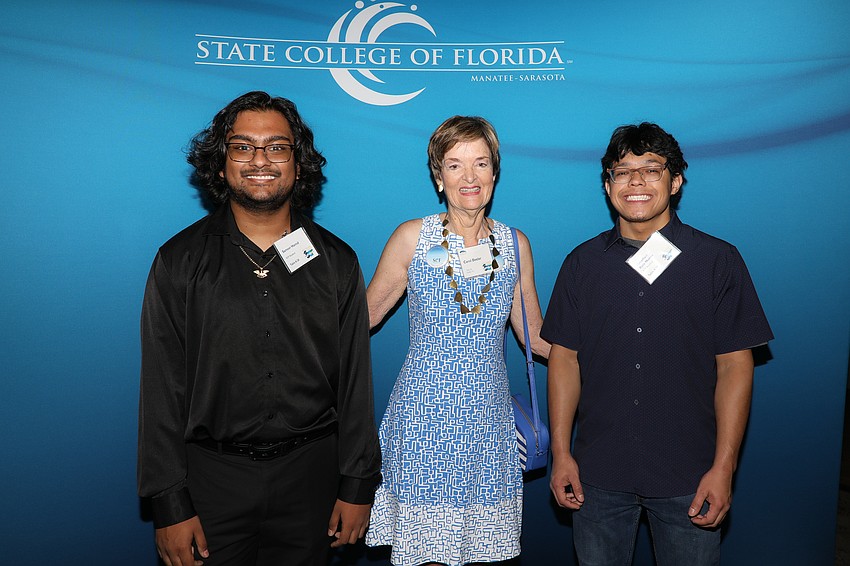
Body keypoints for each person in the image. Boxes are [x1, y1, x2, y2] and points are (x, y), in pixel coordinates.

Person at [137, 91, 381, 566]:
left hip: (312, 481)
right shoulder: (179, 260)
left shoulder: (336, 261)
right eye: (243, 147)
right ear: (220, 162)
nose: (260, 160)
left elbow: (355, 380)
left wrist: (357, 483)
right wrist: (168, 501)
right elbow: (161, 388)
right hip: (210, 484)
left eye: (277, 147)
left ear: (298, 162)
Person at [543, 122, 774, 565]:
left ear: (676, 181)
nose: (636, 182)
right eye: (622, 171)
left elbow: (735, 366)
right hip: (597, 477)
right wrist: (561, 453)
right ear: (608, 184)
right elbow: (564, 359)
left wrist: (724, 467)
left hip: (690, 477)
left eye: (651, 169)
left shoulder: (717, 261)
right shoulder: (582, 264)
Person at [364, 116, 550, 565]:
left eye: (481, 163)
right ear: (438, 176)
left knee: (486, 553)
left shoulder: (515, 244)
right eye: (455, 165)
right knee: (426, 555)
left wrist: (608, 349)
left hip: (489, 425)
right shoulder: (413, 237)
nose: (470, 177)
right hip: (422, 421)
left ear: (494, 173)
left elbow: (537, 338)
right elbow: (361, 318)